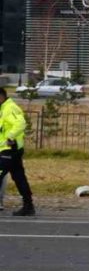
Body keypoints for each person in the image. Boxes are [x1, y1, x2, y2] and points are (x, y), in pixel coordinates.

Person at [0, 87, 34, 216]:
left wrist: (11, 137)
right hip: (8, 150)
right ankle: (28, 205)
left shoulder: (10, 108)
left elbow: (21, 123)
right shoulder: (3, 109)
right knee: (19, 177)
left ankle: (28, 205)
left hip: (9, 150)